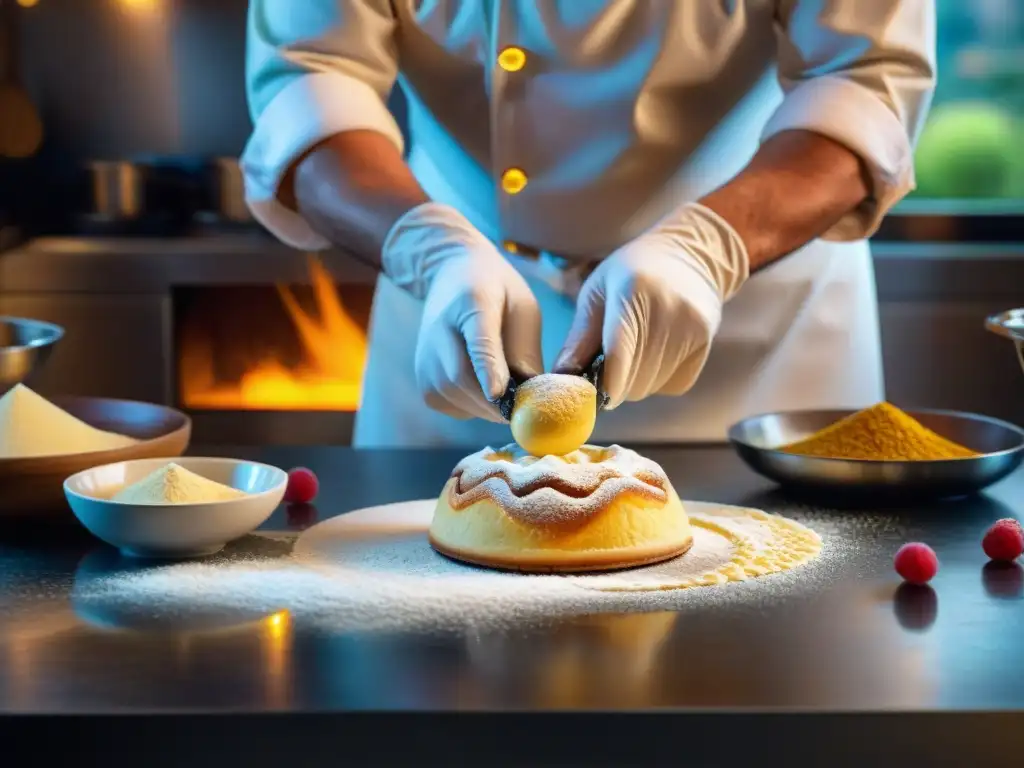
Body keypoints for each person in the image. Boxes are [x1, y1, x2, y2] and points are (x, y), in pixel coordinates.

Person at [242, 1, 936, 449]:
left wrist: (708, 249)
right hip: (454, 309)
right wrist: (429, 248)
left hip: (756, 322)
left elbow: (865, 82)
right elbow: (309, 81)